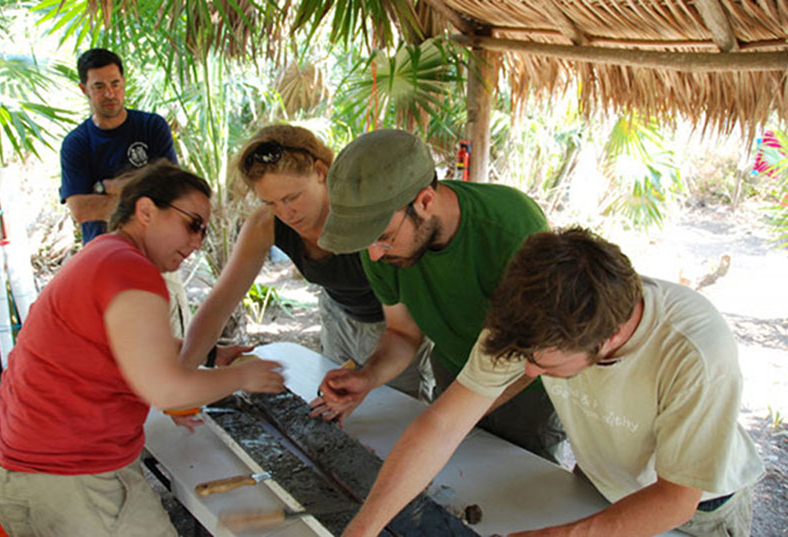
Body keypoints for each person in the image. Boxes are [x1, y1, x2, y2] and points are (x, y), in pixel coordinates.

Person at [341, 227, 764, 537]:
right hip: (602, 486)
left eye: (543, 365)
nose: (525, 373)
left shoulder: (694, 351)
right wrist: (364, 528)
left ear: (609, 338)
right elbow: (442, 425)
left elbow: (676, 498)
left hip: (699, 512)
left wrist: (566, 535)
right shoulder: (532, 320)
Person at [0, 161, 285, 537]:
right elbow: (166, 391)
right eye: (192, 224)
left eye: (203, 231)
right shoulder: (130, 270)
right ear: (145, 211)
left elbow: (121, 343)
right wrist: (242, 375)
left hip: (19, 465)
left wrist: (212, 356)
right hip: (73, 478)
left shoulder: (102, 254)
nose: (196, 242)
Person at [312, 129, 565, 463]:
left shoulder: (512, 227)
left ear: (425, 201)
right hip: (454, 372)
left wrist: (449, 419)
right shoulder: (378, 245)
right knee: (454, 478)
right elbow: (402, 332)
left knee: (519, 496)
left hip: (526, 389)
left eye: (384, 238)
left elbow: (536, 352)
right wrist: (366, 378)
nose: (374, 256)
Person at [181, 124, 433, 401]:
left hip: (397, 324)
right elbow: (219, 303)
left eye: (292, 197)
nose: (285, 212)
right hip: (338, 314)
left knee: (395, 409)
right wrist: (184, 374)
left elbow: (402, 330)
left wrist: (369, 375)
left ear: (320, 172)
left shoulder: (363, 215)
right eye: (271, 202)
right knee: (339, 401)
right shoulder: (266, 225)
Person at [59, 47, 190, 334]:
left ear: (123, 83)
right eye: (99, 87)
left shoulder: (151, 127)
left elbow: (170, 191)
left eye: (115, 84)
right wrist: (143, 194)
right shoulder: (77, 144)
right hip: (105, 263)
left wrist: (107, 187)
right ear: (84, 89)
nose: (109, 93)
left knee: (175, 345)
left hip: (158, 256)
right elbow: (81, 210)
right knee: (117, 350)